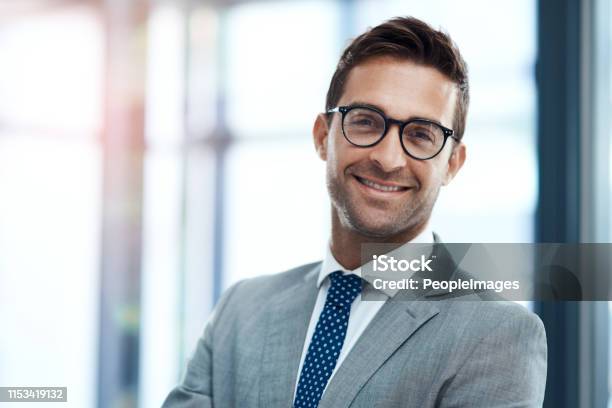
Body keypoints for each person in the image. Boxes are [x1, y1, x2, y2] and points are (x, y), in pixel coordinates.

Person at [162, 16, 547, 408]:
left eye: (420, 135)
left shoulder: (497, 334)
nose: (387, 158)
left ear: (452, 164)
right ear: (322, 137)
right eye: (365, 122)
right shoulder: (240, 311)